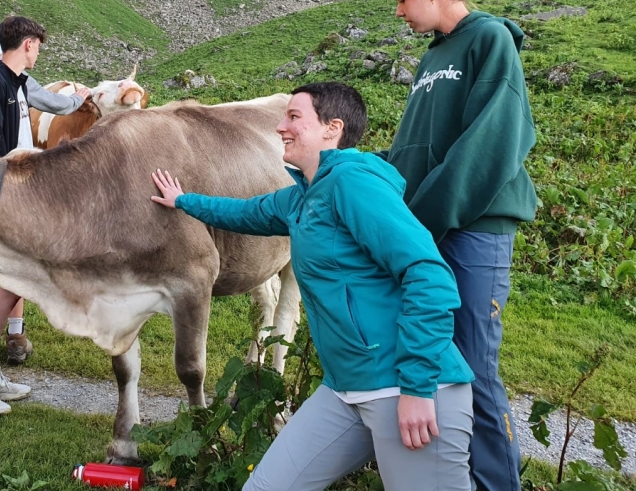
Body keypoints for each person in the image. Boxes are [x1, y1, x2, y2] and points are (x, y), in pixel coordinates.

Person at [151, 82, 475, 491]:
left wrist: (417, 387)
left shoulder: (354, 184)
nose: (280, 127)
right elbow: (243, 212)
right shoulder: (301, 197)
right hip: (345, 389)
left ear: (331, 128)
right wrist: (183, 201)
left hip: (408, 387)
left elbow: (429, 275)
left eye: (293, 117)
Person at [384, 0, 538, 491]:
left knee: (474, 365)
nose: (398, 12)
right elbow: (414, 149)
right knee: (434, 356)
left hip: (475, 227)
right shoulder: (433, 55)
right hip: (428, 226)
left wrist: (419, 217)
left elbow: (494, 142)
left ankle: (498, 481)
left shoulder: (490, 40)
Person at [0, 15, 87, 416]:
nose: (40, 51)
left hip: (20, 194)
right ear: (26, 44)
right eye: (38, 45)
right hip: (6, 198)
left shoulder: (16, 83)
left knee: (12, 284)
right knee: (7, 283)